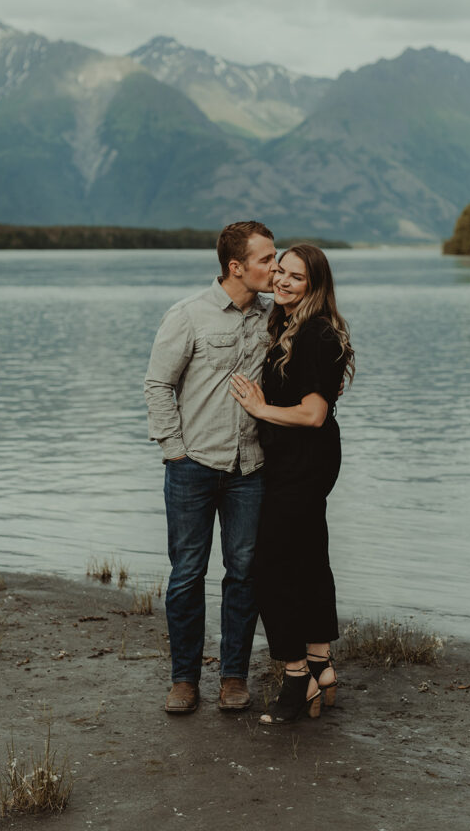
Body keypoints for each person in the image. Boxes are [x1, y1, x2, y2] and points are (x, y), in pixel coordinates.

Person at [144, 221, 278, 715]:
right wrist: (175, 450)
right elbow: (158, 384)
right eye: (266, 259)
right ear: (235, 266)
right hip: (193, 467)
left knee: (243, 574)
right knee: (186, 575)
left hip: (251, 470)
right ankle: (183, 679)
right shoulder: (188, 315)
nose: (276, 266)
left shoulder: (273, 319)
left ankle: (233, 677)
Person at [230, 243, 354, 724]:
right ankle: (321, 664)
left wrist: (261, 410)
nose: (281, 281)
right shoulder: (290, 326)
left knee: (270, 568)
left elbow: (314, 412)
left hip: (303, 463)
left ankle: (297, 677)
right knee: (307, 557)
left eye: (295, 277)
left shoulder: (316, 335)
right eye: (279, 270)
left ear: (315, 287)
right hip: (297, 461)